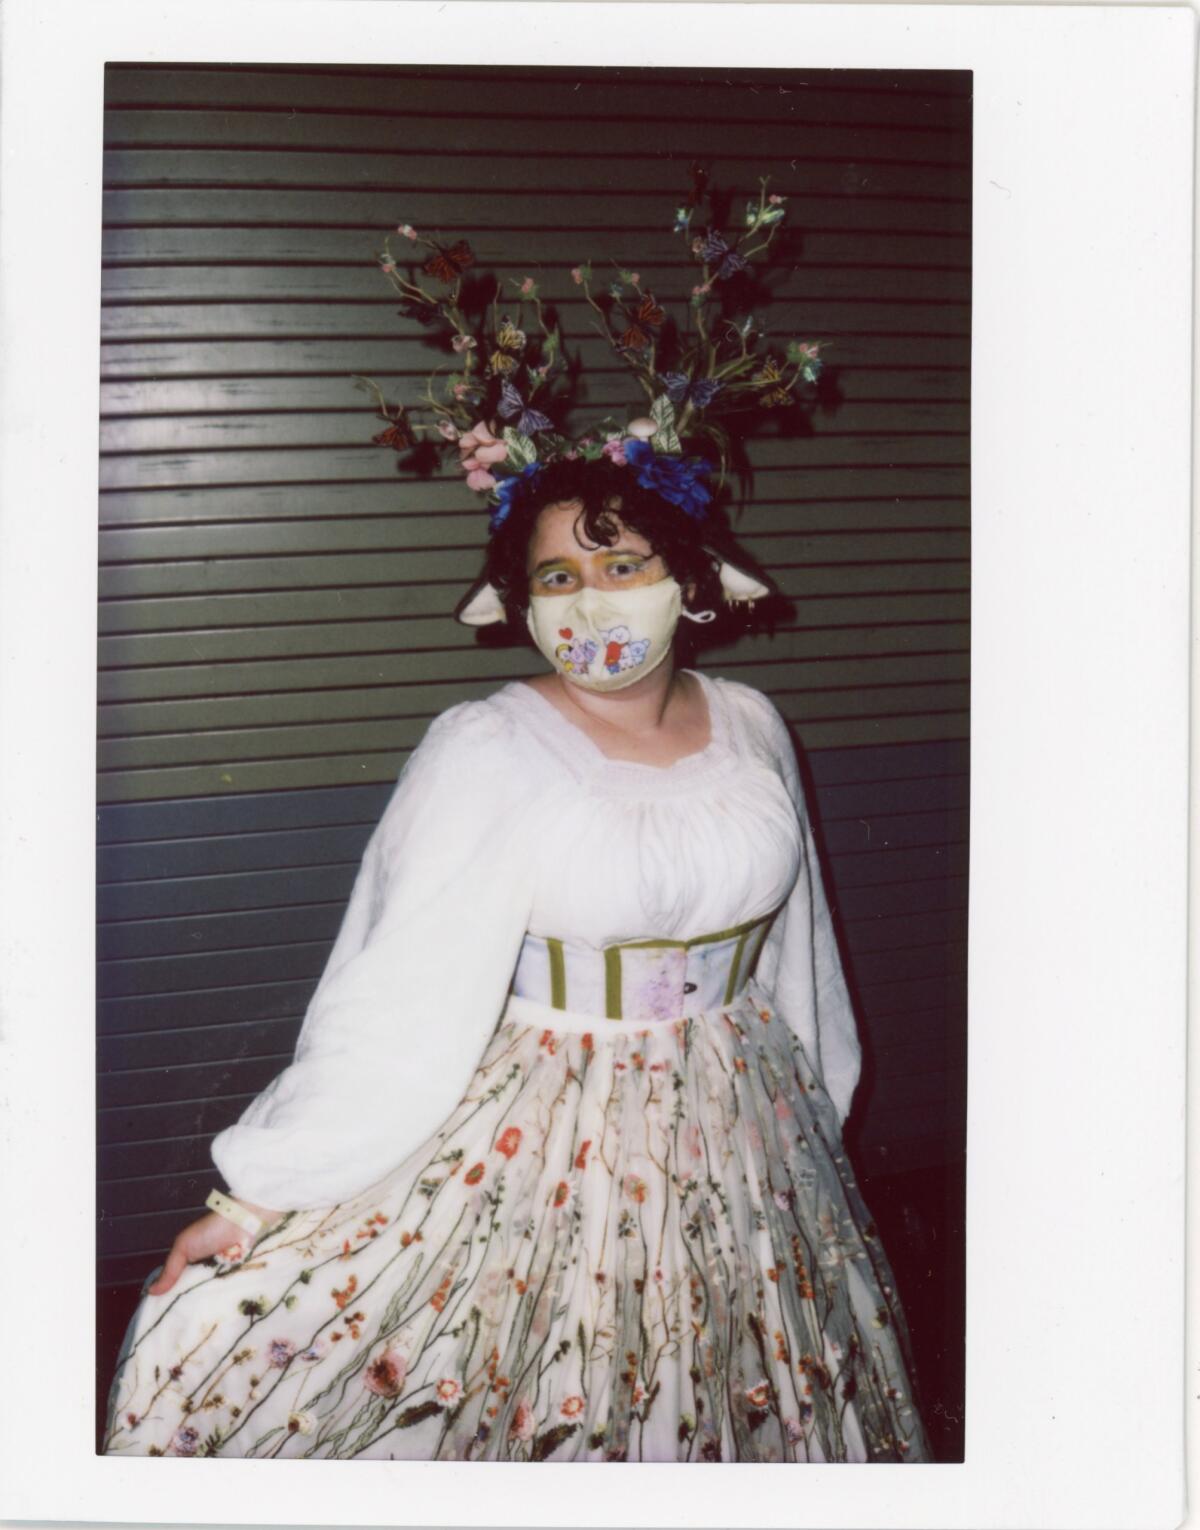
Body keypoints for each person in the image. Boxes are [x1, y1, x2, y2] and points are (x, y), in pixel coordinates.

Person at [102, 452, 931, 1462]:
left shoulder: (752, 722)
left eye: (624, 567)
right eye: (558, 578)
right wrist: (260, 1194)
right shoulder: (487, 746)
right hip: (554, 1117)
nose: (591, 604)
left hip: (746, 1112)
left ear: (694, 578)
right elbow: (391, 987)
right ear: (519, 601)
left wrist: (819, 1106)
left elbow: (799, 948)